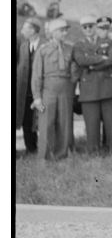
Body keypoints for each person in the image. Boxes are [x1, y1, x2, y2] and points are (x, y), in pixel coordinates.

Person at [71, 15, 112, 154]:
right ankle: (93, 152)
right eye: (85, 27)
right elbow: (81, 61)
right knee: (91, 124)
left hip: (107, 88)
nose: (88, 29)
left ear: (95, 27)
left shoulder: (108, 42)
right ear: (82, 29)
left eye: (91, 26)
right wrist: (100, 59)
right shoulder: (78, 45)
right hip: (89, 90)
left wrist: (91, 65)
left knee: (110, 123)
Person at [30, 17, 74, 160]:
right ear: (53, 32)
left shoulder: (70, 48)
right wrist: (37, 97)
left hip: (66, 89)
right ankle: (44, 157)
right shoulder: (43, 50)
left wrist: (73, 82)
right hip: (48, 90)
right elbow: (36, 75)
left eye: (66, 30)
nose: (65, 33)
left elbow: (75, 70)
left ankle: (61, 155)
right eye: (62, 30)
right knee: (46, 123)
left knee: (64, 123)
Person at [16, 18, 45, 155]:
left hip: (42, 91)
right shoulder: (23, 46)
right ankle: (31, 149)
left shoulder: (46, 45)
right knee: (27, 121)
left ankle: (46, 148)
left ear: (33, 30)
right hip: (25, 92)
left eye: (24, 28)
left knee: (44, 121)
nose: (21, 31)